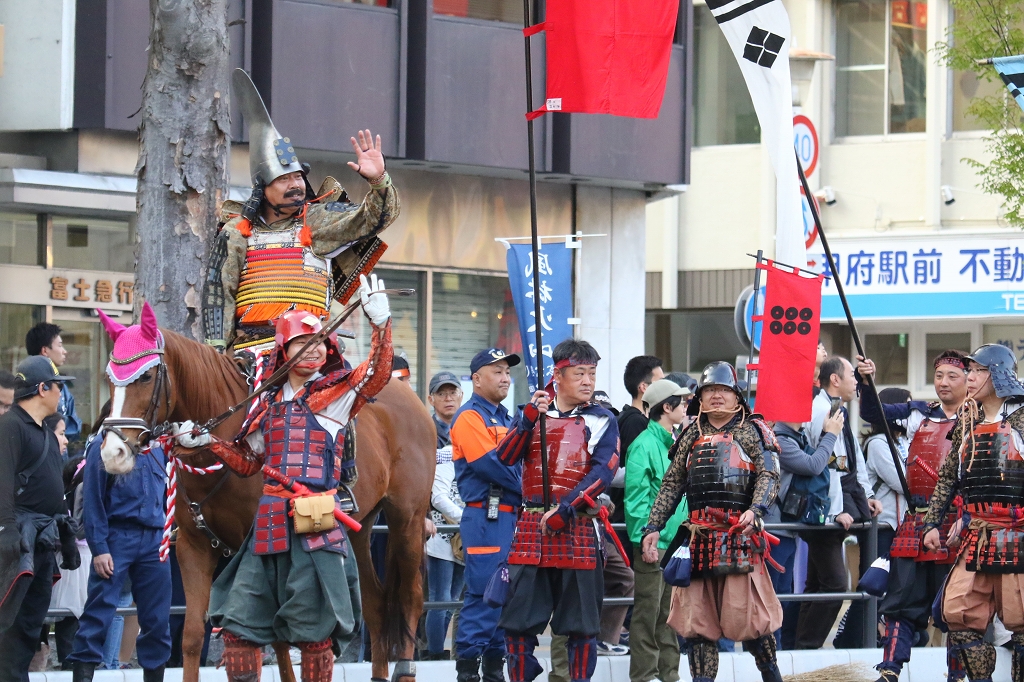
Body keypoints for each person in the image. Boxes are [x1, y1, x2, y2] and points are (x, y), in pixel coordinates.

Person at [177, 274, 393, 682]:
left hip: (315, 518)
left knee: (314, 637)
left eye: (318, 344)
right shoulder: (266, 404)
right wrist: (208, 441)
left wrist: (381, 324)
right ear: (284, 350)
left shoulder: (338, 395)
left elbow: (377, 375)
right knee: (238, 632)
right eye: (302, 343)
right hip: (269, 522)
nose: (312, 350)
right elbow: (247, 463)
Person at [205, 70, 399, 355]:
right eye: (284, 179)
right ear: (261, 187)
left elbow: (372, 219)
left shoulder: (317, 220)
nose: (296, 184)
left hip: (313, 349)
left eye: (298, 177)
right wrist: (216, 355)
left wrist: (378, 180)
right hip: (252, 352)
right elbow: (219, 294)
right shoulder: (236, 232)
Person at [641, 361, 783, 682]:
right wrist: (653, 527)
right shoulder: (691, 433)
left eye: (723, 390)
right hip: (697, 540)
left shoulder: (753, 430)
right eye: (709, 390)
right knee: (697, 628)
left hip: (739, 536)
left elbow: (769, 474)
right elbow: (672, 483)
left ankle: (772, 677)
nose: (716, 396)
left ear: (736, 396)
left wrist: (757, 509)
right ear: (700, 398)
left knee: (752, 623)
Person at [495, 339, 618, 682]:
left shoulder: (602, 419)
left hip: (577, 527)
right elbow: (505, 457)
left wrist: (569, 508)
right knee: (517, 626)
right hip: (531, 528)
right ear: (558, 375)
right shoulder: (532, 413)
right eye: (579, 373)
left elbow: (603, 470)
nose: (588, 381)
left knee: (580, 629)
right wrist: (527, 420)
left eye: (592, 373)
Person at [856, 350, 968, 682]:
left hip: (959, 523)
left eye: (952, 376)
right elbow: (872, 411)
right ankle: (890, 670)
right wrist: (866, 381)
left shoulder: (981, 421)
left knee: (957, 608)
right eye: (939, 376)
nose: (943, 383)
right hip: (917, 523)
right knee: (900, 602)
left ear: (969, 380)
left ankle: (958, 676)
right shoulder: (917, 413)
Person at [919, 344, 1024, 682]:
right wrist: (931, 522)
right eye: (971, 370)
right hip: (976, 536)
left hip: (1019, 535)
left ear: (998, 375)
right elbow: (949, 476)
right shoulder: (968, 421)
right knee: (958, 614)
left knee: (1022, 623)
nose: (970, 377)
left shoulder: (1023, 419)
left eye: (978, 370)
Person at [66, 428, 171, 682]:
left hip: (155, 539)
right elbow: (93, 499)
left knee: (157, 620)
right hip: (116, 536)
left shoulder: (158, 446)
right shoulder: (104, 445)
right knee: (98, 615)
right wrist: (100, 548)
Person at [0, 356, 80, 682]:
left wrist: (68, 536)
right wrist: (6, 534)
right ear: (42, 388)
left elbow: (52, 492)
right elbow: (2, 482)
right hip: (19, 542)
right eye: (58, 385)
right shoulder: (10, 426)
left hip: (43, 543)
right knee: (11, 626)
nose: (62, 392)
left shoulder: (46, 433)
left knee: (31, 627)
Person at [795, 355, 882, 650]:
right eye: (851, 376)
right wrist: (836, 511)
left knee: (817, 584)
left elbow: (850, 459)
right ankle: (806, 647)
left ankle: (801, 647)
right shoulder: (820, 411)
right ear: (835, 379)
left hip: (835, 506)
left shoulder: (836, 409)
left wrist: (867, 495)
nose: (855, 380)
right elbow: (826, 467)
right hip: (824, 509)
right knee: (833, 585)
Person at [449, 348, 522, 682]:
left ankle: (494, 671)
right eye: (497, 371)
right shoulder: (468, 417)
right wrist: (533, 492)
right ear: (477, 379)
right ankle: (468, 672)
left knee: (504, 598)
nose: (505, 377)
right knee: (483, 595)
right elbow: (490, 464)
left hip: (510, 517)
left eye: (507, 371)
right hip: (486, 518)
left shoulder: (507, 418)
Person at [625, 379, 690, 682]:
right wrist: (642, 541)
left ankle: (669, 676)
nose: (687, 407)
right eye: (682, 402)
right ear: (667, 407)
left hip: (676, 544)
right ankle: (644, 677)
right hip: (654, 545)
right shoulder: (643, 445)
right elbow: (636, 500)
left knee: (671, 620)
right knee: (648, 618)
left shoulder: (676, 441)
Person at [767, 409, 844, 650]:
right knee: (773, 598)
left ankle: (781, 651)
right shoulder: (779, 440)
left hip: (787, 530)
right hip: (774, 530)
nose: (807, 413)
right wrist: (830, 435)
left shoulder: (795, 438)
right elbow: (813, 465)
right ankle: (772, 653)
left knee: (784, 597)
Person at [425, 371, 465, 660]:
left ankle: (454, 654)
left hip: (465, 523)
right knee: (439, 598)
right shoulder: (423, 429)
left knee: (455, 598)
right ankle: (433, 654)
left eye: (453, 392)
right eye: (442, 393)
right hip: (432, 524)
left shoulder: (469, 426)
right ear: (431, 398)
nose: (448, 398)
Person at [25, 323, 82, 444]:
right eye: (60, 346)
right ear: (45, 350)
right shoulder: (26, 385)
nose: (64, 351)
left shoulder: (62, 386)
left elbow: (76, 427)